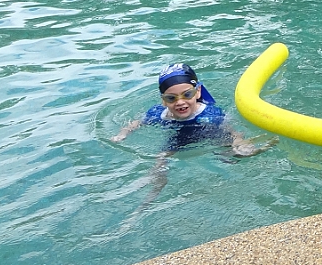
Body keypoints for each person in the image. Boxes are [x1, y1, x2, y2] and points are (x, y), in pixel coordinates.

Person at [114, 63, 275, 204]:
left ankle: (266, 146)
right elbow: (137, 122)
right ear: (163, 100)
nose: (180, 102)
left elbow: (231, 130)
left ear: (197, 92)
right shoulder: (158, 113)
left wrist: (238, 141)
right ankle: (154, 182)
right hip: (178, 137)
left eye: (187, 94)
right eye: (171, 98)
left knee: (236, 153)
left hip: (209, 133)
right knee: (161, 159)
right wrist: (123, 134)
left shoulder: (211, 114)